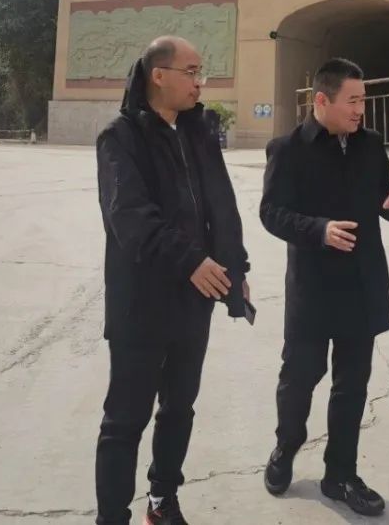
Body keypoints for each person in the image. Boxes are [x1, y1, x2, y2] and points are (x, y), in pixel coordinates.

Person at [95, 36, 252, 525]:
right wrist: (190, 260)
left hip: (192, 300)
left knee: (179, 407)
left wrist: (235, 268)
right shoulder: (120, 137)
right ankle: (112, 517)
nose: (199, 81)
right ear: (158, 75)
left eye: (201, 71)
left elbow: (222, 206)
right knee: (125, 419)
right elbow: (129, 217)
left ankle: (162, 501)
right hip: (141, 303)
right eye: (191, 71)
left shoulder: (199, 132)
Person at [260, 58, 389, 517]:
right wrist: (319, 229)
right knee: (300, 377)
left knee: (352, 385)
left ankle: (340, 474)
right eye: (352, 101)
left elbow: (381, 198)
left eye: (363, 100)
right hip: (313, 286)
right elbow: (272, 213)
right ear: (322, 101)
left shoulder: (371, 145)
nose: (360, 110)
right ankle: (286, 446)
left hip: (362, 283)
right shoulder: (288, 149)